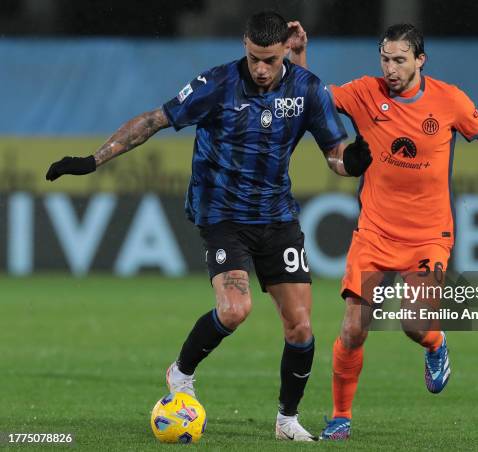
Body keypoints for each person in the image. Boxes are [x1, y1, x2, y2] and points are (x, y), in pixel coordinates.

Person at [45, 11, 373, 442]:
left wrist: (350, 162)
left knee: (301, 327)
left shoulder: (306, 88)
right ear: (244, 45)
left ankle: (287, 420)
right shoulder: (216, 84)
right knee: (235, 309)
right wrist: (93, 160)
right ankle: (181, 372)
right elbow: (153, 121)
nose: (260, 68)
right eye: (254, 57)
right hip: (222, 215)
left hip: (277, 217)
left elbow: (335, 152)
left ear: (283, 56)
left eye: (270, 60)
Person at [289, 22, 478, 440]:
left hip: (428, 236)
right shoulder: (364, 92)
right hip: (373, 232)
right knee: (353, 329)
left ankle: (435, 342)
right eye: (385, 59)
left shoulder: (450, 100)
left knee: (412, 323)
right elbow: (310, 96)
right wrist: (299, 54)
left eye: (400, 60)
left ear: (420, 60)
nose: (390, 68)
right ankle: (340, 417)